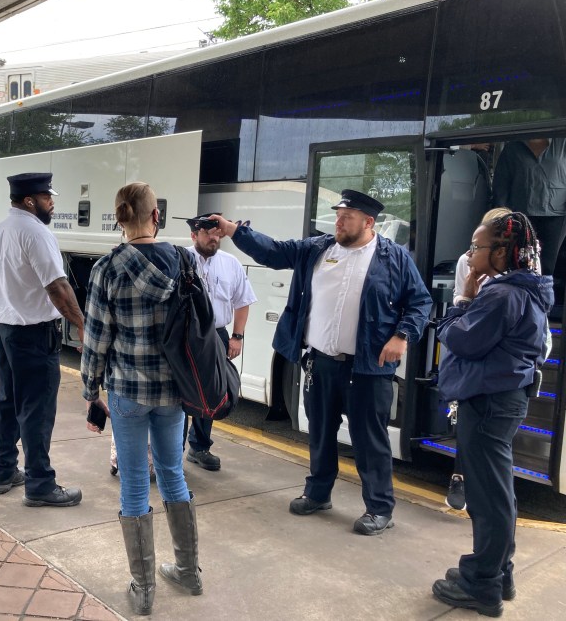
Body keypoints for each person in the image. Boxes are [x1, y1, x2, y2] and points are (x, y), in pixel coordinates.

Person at [210, 190, 432, 536]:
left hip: (368, 369)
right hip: (321, 364)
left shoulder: (394, 258)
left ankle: (379, 508)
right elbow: (274, 252)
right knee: (321, 432)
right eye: (338, 215)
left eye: (347, 217)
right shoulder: (318, 249)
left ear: (368, 222)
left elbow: (420, 302)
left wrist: (402, 335)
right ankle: (318, 493)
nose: (338, 222)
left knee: (368, 439)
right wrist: (234, 230)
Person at [82, 182, 203, 616]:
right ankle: (188, 571)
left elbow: (95, 340)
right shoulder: (184, 260)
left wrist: (90, 390)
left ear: (120, 218)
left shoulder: (106, 268)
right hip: (174, 392)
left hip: (127, 392)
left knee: (134, 482)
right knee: (173, 472)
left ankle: (143, 590)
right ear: (157, 216)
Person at [432, 212, 553, 617]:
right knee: (499, 492)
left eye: (477, 246)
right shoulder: (525, 290)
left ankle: (481, 583)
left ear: (501, 250)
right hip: (504, 400)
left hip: (487, 403)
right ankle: (499, 573)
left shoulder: (501, 296)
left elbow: (459, 338)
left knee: (487, 498)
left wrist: (462, 300)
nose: (470, 253)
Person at [0, 172, 83, 507]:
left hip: (5, 329)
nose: (52, 203)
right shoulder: (36, 232)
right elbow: (57, 286)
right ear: (30, 201)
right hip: (33, 333)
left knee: (8, 401)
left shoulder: (1, 230)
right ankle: (40, 484)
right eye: (47, 197)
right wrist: (81, 324)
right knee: (36, 410)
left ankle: (2, 471)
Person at [446, 207, 511, 511]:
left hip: (498, 353)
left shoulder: (520, 275)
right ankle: (459, 476)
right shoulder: (466, 262)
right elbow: (462, 298)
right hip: (472, 340)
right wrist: (464, 303)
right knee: (466, 414)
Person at [182, 213, 257, 471]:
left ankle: (200, 447)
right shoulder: (181, 258)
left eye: (217, 234)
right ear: (194, 235)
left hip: (217, 334)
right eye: (208, 234)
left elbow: (243, 301)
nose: (214, 238)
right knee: (179, 391)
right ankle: (172, 449)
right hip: (185, 335)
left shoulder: (231, 263)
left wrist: (237, 336)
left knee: (211, 392)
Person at [492, 138, 566, 275]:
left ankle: (545, 295)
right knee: (520, 264)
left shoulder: (562, 143)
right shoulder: (512, 147)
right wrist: (501, 218)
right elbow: (501, 186)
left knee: (550, 267)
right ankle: (524, 295)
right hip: (520, 217)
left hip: (556, 217)